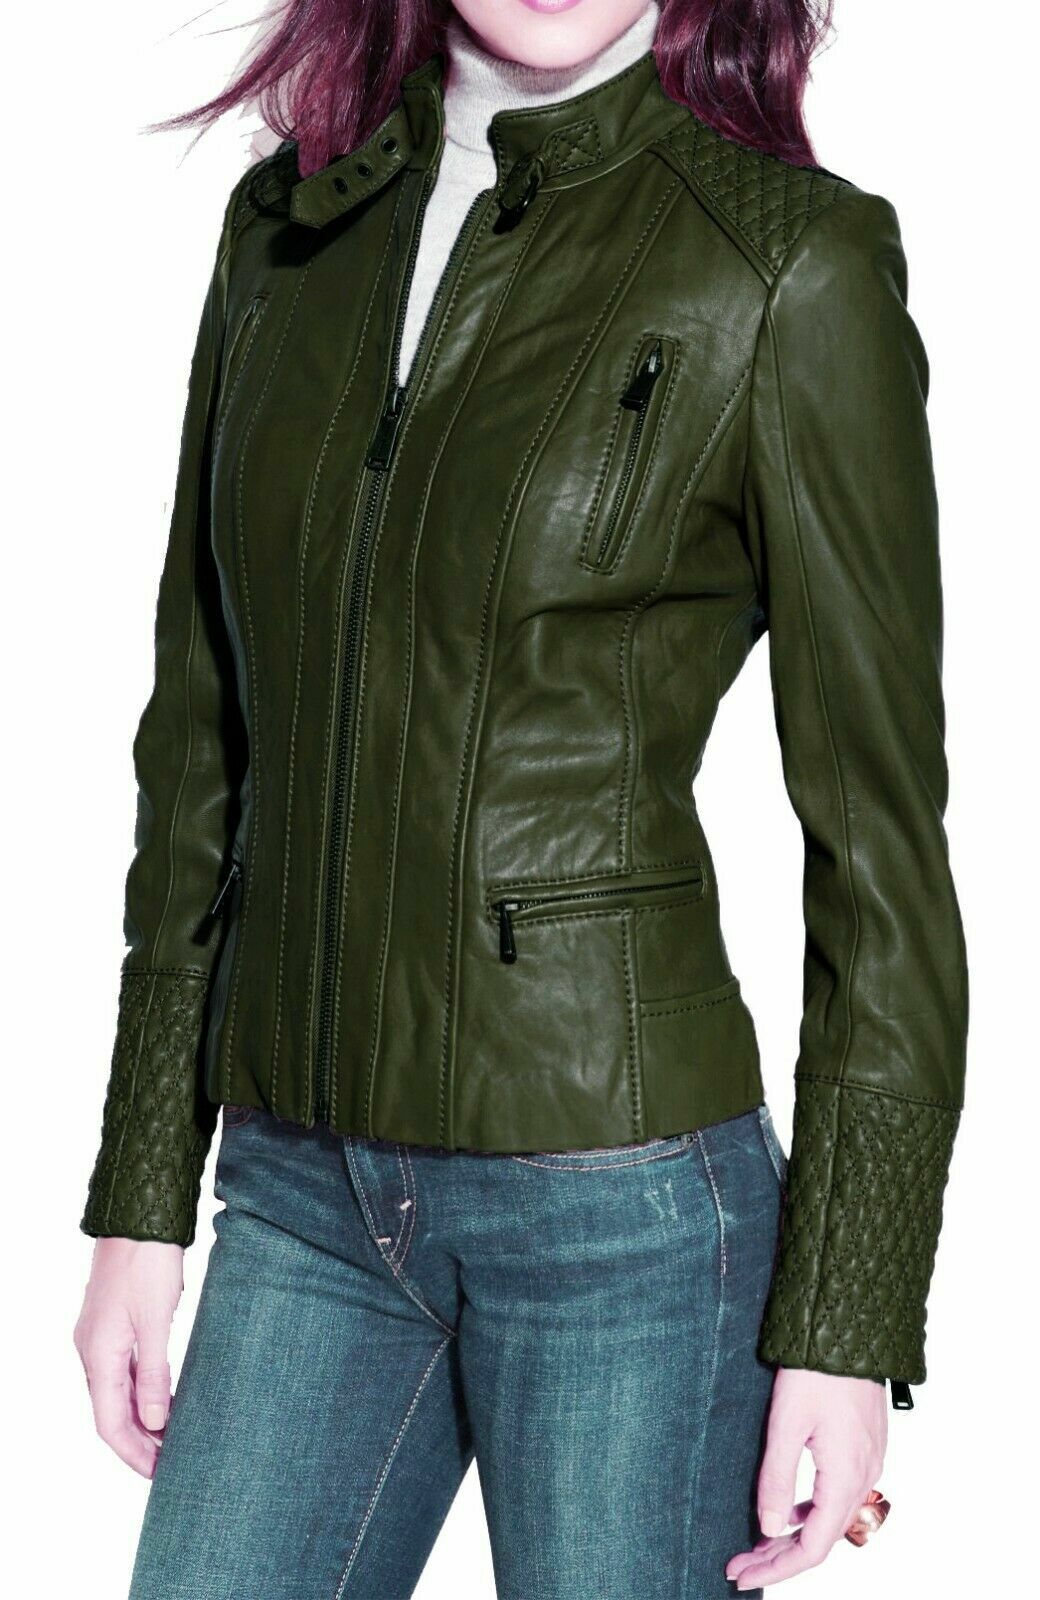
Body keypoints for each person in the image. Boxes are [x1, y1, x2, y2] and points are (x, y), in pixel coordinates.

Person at [73, 1, 969, 1595]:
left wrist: (847, 1316)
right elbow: (201, 736)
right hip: (300, 1192)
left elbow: (882, 857)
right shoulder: (289, 225)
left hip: (624, 1216)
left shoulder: (786, 262)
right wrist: (142, 1194)